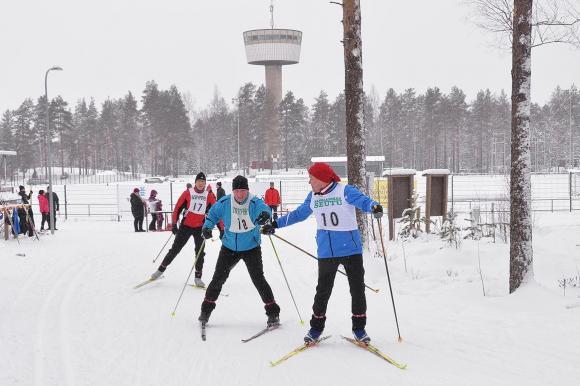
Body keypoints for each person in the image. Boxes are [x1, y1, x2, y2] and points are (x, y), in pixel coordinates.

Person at [261, 162, 383, 344]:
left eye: (311, 178)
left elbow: (363, 201)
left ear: (321, 179)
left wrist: (374, 207)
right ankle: (316, 328)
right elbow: (298, 214)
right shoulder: (313, 196)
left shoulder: (345, 191)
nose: (309, 182)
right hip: (327, 251)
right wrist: (275, 224)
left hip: (351, 249)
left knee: (357, 289)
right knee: (322, 291)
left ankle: (359, 329)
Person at [198, 175, 280, 327]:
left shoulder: (254, 201)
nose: (240, 194)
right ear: (233, 191)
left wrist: (265, 216)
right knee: (218, 279)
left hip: (251, 247)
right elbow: (212, 215)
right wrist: (207, 227)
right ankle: (205, 311)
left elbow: (265, 209)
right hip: (229, 247)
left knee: (258, 280)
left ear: (247, 190)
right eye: (237, 191)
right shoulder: (224, 202)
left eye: (243, 191)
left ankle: (273, 313)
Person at [150, 172, 216, 286]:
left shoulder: (208, 195)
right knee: (175, 250)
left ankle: (198, 277)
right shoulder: (187, 193)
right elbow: (177, 209)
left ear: (205, 183)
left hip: (200, 228)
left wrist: (216, 227)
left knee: (200, 253)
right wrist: (174, 224)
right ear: (195, 182)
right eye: (199, 181)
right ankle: (160, 270)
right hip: (186, 227)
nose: (201, 184)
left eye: (203, 182)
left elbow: (216, 212)